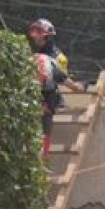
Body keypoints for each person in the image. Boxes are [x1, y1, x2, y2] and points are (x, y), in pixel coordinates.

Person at [28, 18, 84, 154]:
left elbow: (61, 78)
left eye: (39, 36)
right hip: (45, 103)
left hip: (37, 103)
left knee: (38, 136)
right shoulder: (46, 60)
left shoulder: (47, 58)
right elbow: (65, 80)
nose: (36, 39)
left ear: (46, 36)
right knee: (43, 137)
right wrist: (79, 88)